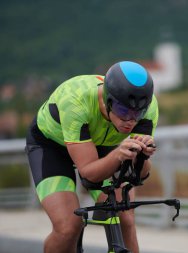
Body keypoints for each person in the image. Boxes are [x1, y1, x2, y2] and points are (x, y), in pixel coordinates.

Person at [25, 61, 158, 253]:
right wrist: (118, 155)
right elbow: (89, 173)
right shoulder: (76, 101)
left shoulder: (149, 108)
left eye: (138, 113)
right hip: (51, 146)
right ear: (107, 100)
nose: (130, 120)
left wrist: (142, 157)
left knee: (125, 217)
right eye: (123, 111)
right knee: (69, 226)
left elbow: (141, 175)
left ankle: (102, 210)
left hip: (102, 145)